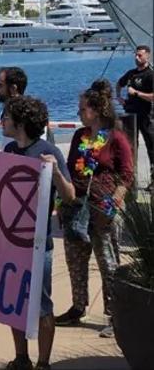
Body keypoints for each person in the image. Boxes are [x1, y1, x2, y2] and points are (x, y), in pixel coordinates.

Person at [1, 96, 75, 370]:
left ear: (20, 123)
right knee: (13, 301)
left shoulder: (48, 151)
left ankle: (43, 362)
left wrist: (55, 173)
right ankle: (21, 357)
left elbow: (69, 195)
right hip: (11, 242)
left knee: (42, 303)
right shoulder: (8, 149)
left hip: (38, 243)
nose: (2, 121)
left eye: (6, 117)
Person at [56, 79, 133, 337]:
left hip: (103, 210)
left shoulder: (116, 137)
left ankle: (116, 316)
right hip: (77, 209)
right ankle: (78, 307)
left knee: (108, 265)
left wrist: (111, 206)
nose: (79, 113)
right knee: (76, 261)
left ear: (96, 110)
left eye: (82, 109)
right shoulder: (80, 135)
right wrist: (62, 203)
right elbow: (69, 171)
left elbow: (127, 175)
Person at [116, 44, 154, 189]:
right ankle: (129, 179)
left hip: (146, 116)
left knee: (151, 146)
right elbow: (119, 84)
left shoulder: (150, 75)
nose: (137, 58)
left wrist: (137, 93)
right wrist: (119, 97)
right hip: (130, 115)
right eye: (135, 55)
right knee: (129, 147)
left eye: (140, 55)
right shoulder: (131, 74)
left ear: (147, 56)